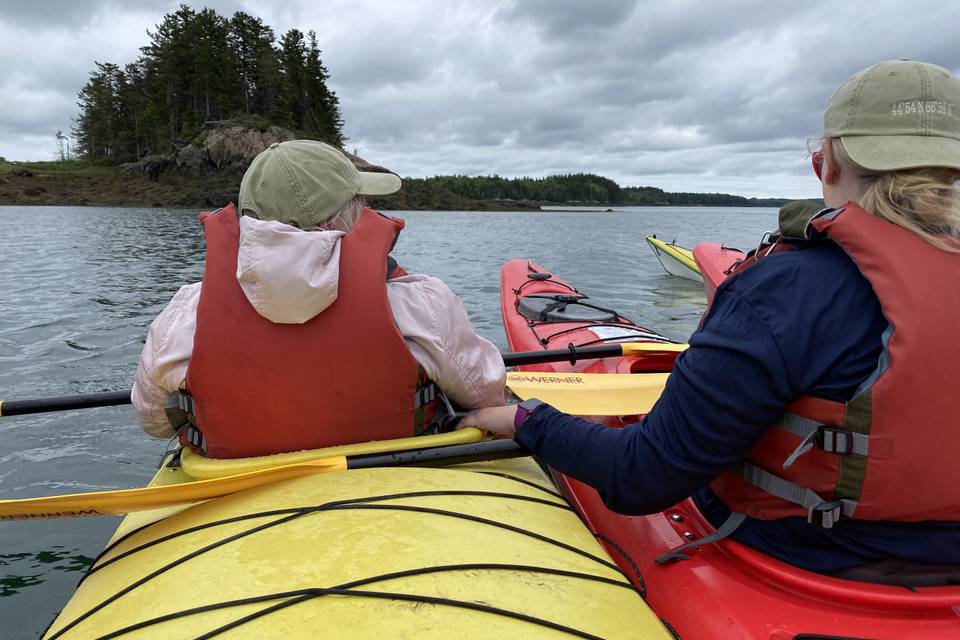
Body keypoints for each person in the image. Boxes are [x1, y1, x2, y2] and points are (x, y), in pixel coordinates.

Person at [462, 60, 960, 584]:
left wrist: (523, 420)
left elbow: (642, 477)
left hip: (804, 556)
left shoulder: (787, 291)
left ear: (826, 163)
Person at [133, 140, 504, 458]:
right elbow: (485, 394)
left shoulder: (185, 314)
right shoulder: (419, 302)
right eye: (357, 200)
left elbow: (154, 422)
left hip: (240, 485)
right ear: (335, 221)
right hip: (392, 478)